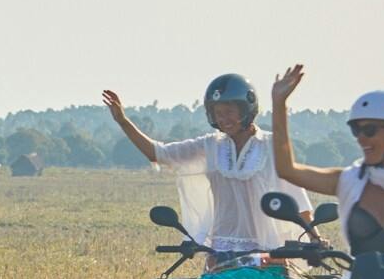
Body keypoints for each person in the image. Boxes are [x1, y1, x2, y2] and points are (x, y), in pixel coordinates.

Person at [104, 73, 314, 259]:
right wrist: (122, 120)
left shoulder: (271, 145)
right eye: (218, 113)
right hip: (221, 251)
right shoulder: (210, 145)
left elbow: (297, 197)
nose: (224, 119)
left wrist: (315, 237)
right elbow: (158, 152)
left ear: (247, 108)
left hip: (268, 252)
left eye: (229, 111)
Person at [270, 65, 384, 254]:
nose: (360, 138)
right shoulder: (349, 180)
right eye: (356, 130)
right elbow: (287, 170)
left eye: (369, 130)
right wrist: (279, 105)